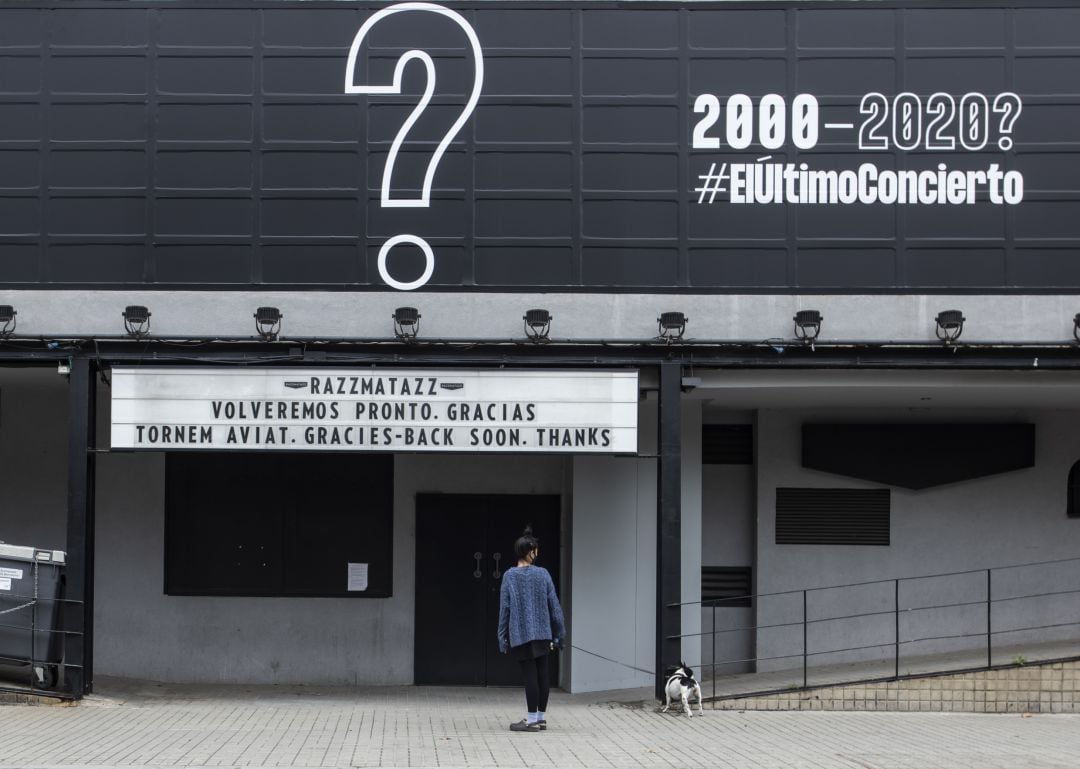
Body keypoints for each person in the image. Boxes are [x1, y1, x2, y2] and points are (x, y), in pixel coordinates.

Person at [497, 525, 565, 733]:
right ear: (529, 551)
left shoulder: (509, 576)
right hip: (543, 634)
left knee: (530, 677)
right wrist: (559, 634)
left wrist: (502, 638)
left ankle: (531, 720)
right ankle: (541, 718)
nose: (536, 554)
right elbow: (555, 606)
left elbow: (505, 610)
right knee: (543, 675)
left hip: (522, 635)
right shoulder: (543, 574)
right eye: (534, 550)